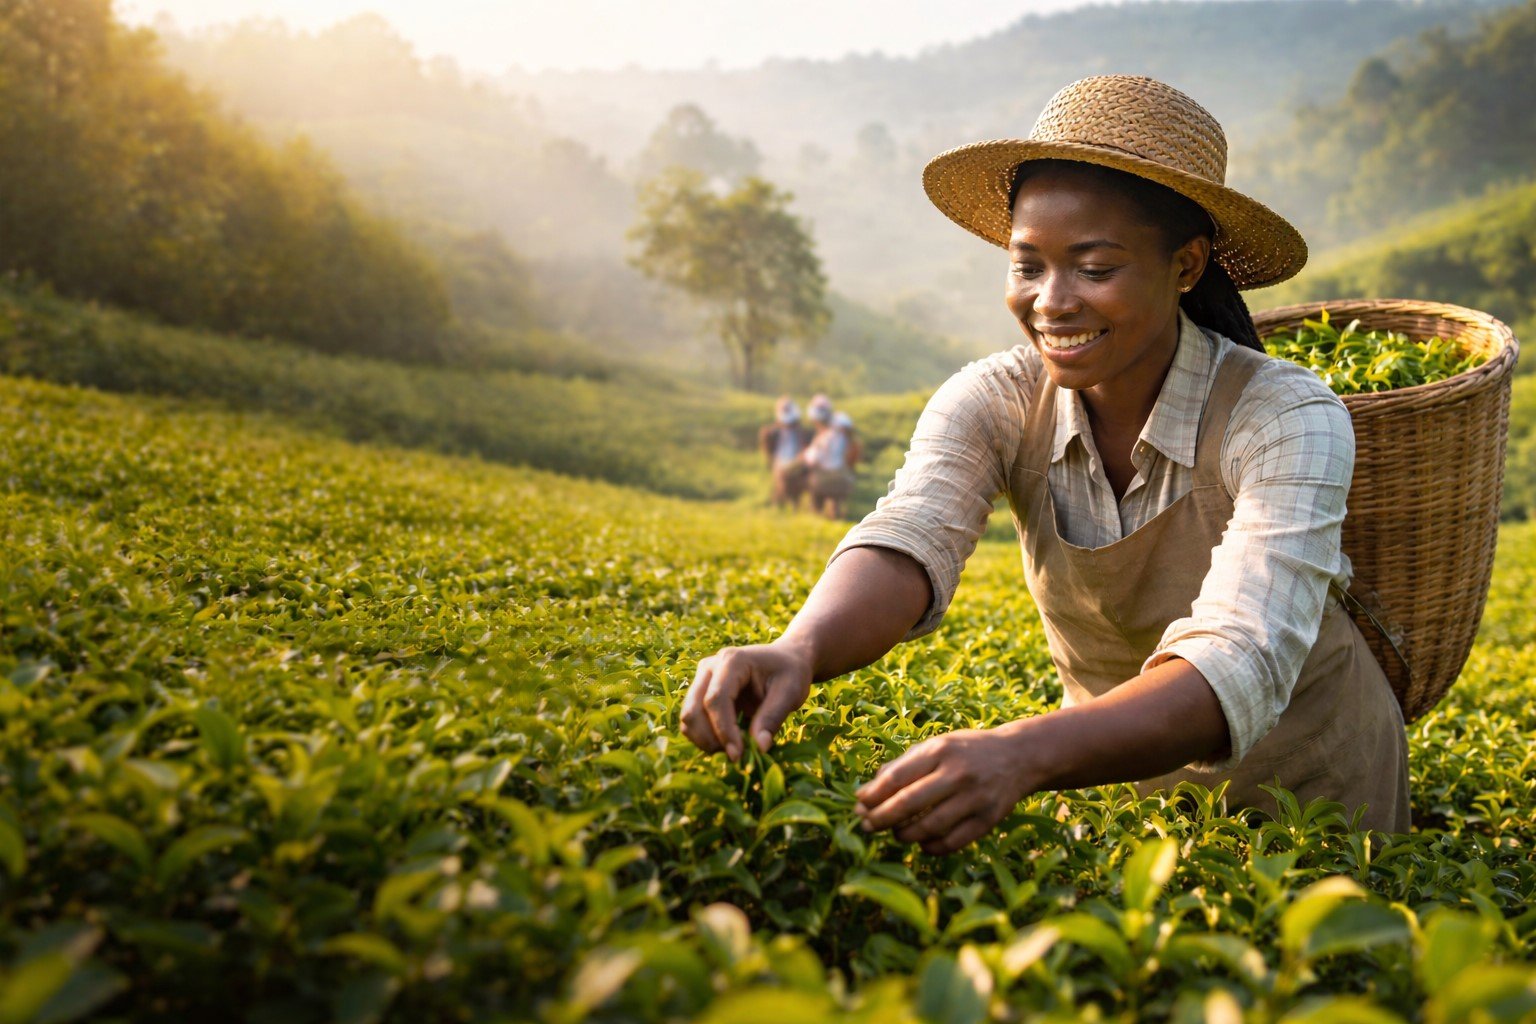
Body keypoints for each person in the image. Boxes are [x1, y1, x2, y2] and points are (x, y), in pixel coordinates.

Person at [680, 75, 1411, 852]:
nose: (1052, 301)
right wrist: (798, 649)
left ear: (1187, 266)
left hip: (1317, 800)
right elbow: (911, 535)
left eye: (1094, 269)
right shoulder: (992, 400)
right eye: (1028, 266)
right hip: (1110, 788)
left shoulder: (1285, 414)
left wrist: (1021, 752)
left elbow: (1243, 656)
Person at [804, 411, 861, 519]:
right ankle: (836, 514)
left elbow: (812, 459)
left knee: (814, 490)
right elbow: (852, 463)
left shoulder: (823, 437)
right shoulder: (852, 443)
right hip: (842, 481)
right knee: (837, 500)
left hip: (822, 481)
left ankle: (816, 514)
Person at [759, 396, 812, 510]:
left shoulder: (801, 432)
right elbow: (768, 449)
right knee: (782, 479)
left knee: (794, 480)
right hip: (780, 462)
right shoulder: (773, 432)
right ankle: (781, 502)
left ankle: (792, 503)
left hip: (796, 462)